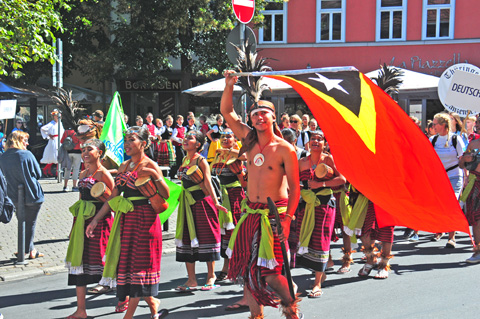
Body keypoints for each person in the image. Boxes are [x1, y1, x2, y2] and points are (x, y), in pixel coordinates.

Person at [221, 70, 302, 319]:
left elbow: (296, 189)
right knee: (248, 268)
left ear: (273, 117)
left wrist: (287, 220)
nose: (258, 118)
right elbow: (227, 113)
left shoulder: (285, 149)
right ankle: (256, 316)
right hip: (249, 213)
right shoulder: (248, 140)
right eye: (254, 114)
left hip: (273, 215)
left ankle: (292, 310)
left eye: (263, 113)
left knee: (273, 273)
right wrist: (229, 85)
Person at [86, 126, 169, 319]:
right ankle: (154, 307)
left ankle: (128, 316)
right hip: (127, 221)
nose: (127, 144)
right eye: (125, 140)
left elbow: (165, 194)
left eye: (132, 139)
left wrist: (155, 176)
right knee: (130, 266)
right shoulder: (123, 166)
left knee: (139, 267)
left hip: (146, 219)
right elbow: (113, 198)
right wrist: (96, 221)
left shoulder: (150, 164)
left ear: (144, 144)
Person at [65, 139, 115, 319]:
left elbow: (112, 202)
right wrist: (74, 226)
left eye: (89, 149)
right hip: (82, 222)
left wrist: (95, 220)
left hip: (100, 223)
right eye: (83, 149)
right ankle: (81, 310)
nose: (85, 153)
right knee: (80, 264)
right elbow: (80, 200)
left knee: (105, 264)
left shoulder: (104, 174)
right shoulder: (83, 172)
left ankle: (124, 298)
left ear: (99, 153)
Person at [175, 130, 226, 292]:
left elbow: (208, 183)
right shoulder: (184, 159)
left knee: (206, 236)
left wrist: (216, 202)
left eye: (190, 138)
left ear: (197, 144)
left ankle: (211, 276)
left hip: (202, 202)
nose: (185, 140)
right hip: (187, 203)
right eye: (185, 137)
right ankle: (191, 280)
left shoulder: (201, 160)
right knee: (187, 238)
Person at [297, 130, 346, 297]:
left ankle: (317, 283)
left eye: (319, 139)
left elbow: (342, 180)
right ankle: (320, 272)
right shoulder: (302, 161)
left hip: (325, 205)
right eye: (313, 139)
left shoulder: (328, 159)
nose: (316, 141)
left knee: (321, 241)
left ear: (324, 143)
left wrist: (321, 184)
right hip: (306, 205)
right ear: (308, 142)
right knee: (307, 240)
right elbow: (294, 181)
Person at [0, 131, 45, 259]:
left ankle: (31, 250)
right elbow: (38, 173)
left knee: (23, 222)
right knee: (30, 223)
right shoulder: (26, 154)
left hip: (13, 195)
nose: (28, 143)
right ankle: (25, 251)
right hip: (32, 195)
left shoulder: (2, 157)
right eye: (25, 140)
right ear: (19, 141)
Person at [430, 113, 465, 247]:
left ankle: (452, 237)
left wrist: (466, 177)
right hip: (438, 178)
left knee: (452, 206)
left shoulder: (456, 139)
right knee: (439, 206)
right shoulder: (432, 140)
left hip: (455, 176)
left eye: (435, 124)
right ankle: (440, 228)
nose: (433, 126)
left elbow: (462, 159)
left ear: (443, 125)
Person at [459, 136, 480, 263]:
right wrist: (465, 159)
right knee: (476, 218)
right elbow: (461, 165)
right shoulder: (473, 144)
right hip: (475, 183)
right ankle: (478, 250)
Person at [40, 109, 64, 177]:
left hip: (59, 140)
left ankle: (54, 172)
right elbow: (43, 128)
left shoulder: (60, 123)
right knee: (55, 156)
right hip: (54, 141)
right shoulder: (51, 123)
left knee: (59, 156)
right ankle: (47, 170)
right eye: (56, 116)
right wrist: (48, 135)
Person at [61, 127, 82, 192]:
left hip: (68, 152)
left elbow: (62, 141)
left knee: (67, 169)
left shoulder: (66, 131)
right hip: (77, 152)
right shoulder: (78, 132)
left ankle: (65, 186)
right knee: (76, 169)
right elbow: (80, 143)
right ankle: (74, 186)